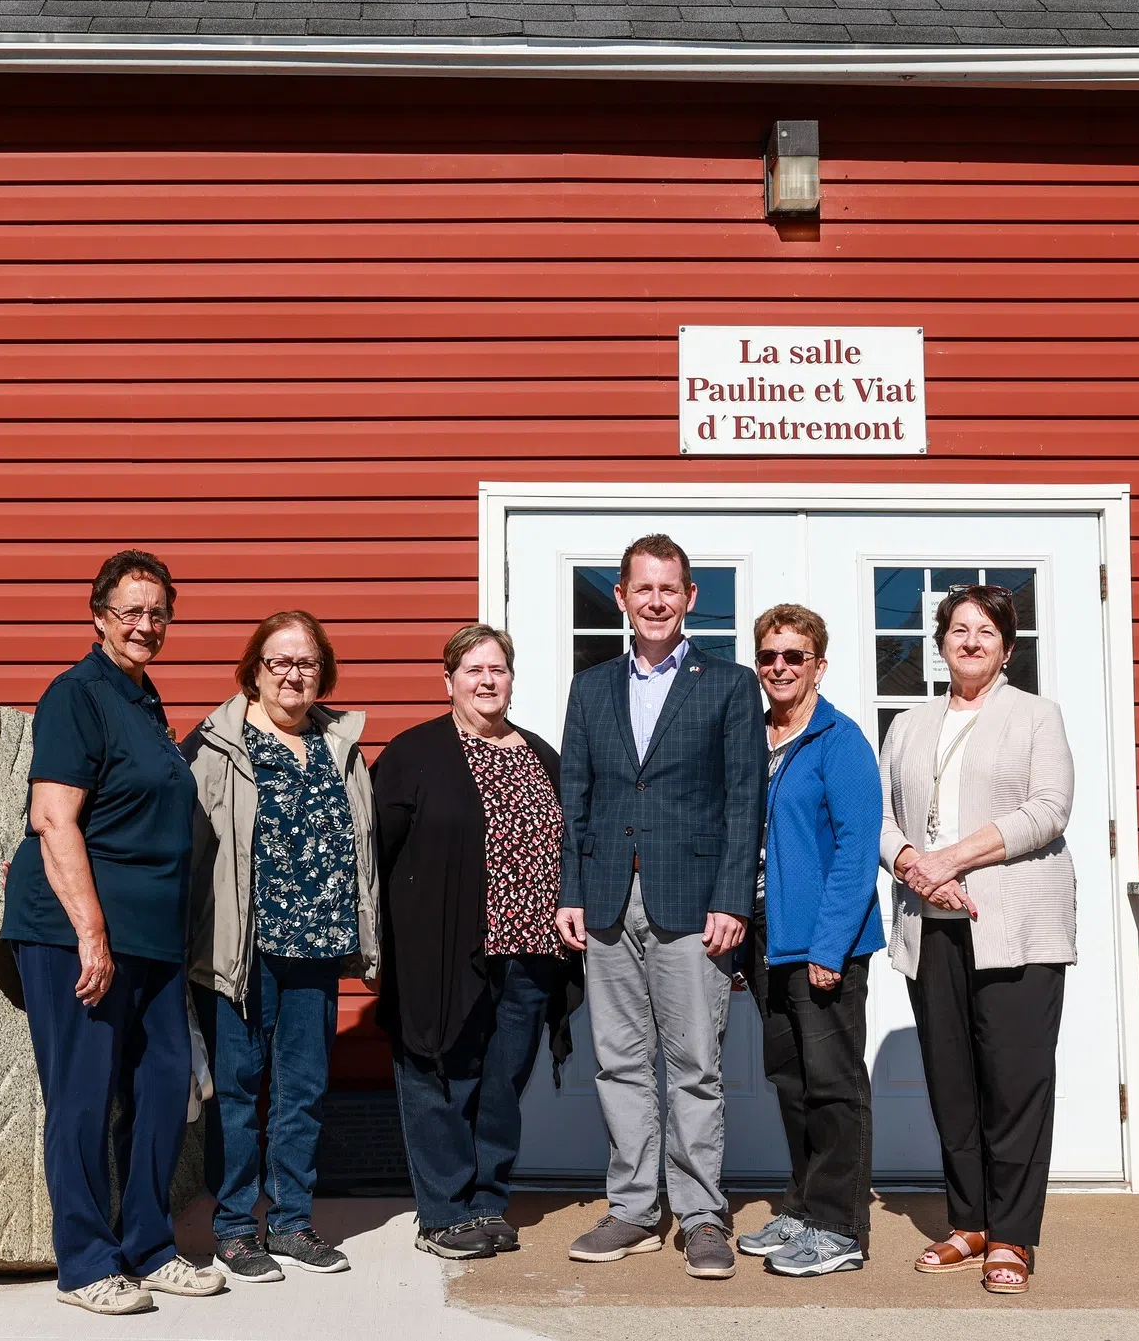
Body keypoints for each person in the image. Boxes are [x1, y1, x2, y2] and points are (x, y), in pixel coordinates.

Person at [0, 550, 224, 1316]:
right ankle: (88, 1262)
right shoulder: (77, 694)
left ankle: (149, 1246)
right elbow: (54, 816)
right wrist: (90, 931)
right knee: (84, 1095)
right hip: (77, 934)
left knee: (164, 1083)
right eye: (130, 610)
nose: (145, 624)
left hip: (153, 937)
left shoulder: (145, 700)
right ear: (98, 615)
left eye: (158, 612)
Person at [554, 534, 766, 1281]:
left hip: (694, 903)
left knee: (694, 1066)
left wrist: (732, 899)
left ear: (690, 598)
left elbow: (746, 800)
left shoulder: (730, 684)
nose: (655, 600)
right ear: (620, 596)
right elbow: (572, 797)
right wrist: (571, 890)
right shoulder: (592, 686)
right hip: (608, 897)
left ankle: (703, 1215)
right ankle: (636, 1208)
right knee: (617, 1062)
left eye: (668, 588)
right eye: (642, 588)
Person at [879, 584, 1076, 1297]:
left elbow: (1049, 810)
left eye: (985, 631)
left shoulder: (1036, 715)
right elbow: (882, 817)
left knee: (1015, 1084)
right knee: (952, 1081)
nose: (970, 640)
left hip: (1016, 925)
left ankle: (1014, 1233)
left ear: (1006, 646)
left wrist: (952, 859)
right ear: (939, 642)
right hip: (930, 925)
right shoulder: (908, 722)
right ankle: (969, 1221)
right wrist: (914, 868)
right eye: (958, 629)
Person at [183, 611, 379, 1283]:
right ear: (255, 670)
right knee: (236, 1094)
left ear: (322, 672)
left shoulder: (339, 745)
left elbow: (365, 851)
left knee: (302, 1091)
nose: (295, 673)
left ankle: (292, 1222)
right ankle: (236, 1228)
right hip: (242, 950)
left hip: (318, 950)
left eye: (308, 662)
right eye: (281, 661)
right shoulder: (216, 746)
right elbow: (190, 850)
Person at [375, 624, 577, 1261]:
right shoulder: (415, 754)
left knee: (501, 1081)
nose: (488, 681)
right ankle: (443, 1212)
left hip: (532, 950)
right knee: (441, 1070)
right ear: (449, 682)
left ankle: (488, 1200)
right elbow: (376, 853)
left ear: (511, 680)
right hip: (443, 946)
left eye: (498, 670)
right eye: (473, 671)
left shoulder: (543, 755)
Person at [732, 604, 884, 1278]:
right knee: (790, 1083)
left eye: (795, 655)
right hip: (769, 938)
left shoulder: (839, 739)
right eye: (769, 656)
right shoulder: (755, 737)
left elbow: (856, 850)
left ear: (819, 663)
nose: (780, 667)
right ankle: (802, 1204)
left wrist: (829, 946)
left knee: (834, 1087)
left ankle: (841, 1228)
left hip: (825, 942)